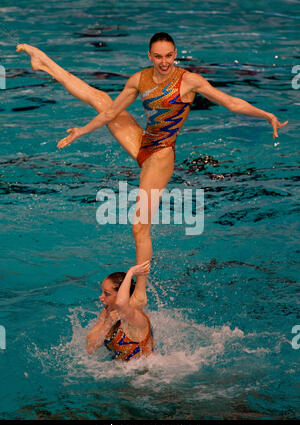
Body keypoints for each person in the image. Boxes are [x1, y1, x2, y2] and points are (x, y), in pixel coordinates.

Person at [16, 33, 288, 309]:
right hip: (143, 141)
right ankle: (44, 62)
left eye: (169, 56)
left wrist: (267, 115)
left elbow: (231, 103)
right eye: (158, 56)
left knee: (139, 227)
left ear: (175, 54)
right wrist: (81, 132)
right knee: (99, 98)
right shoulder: (139, 79)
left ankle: (141, 291)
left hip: (160, 156)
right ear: (150, 56)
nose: (164, 62)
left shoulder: (189, 81)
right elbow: (111, 114)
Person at [86, 260, 154, 361]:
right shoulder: (107, 312)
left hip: (146, 373)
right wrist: (108, 323)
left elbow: (121, 303)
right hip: (123, 371)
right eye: (102, 292)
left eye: (107, 294)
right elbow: (90, 347)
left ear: (120, 295)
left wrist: (131, 272)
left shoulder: (134, 317)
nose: (101, 297)